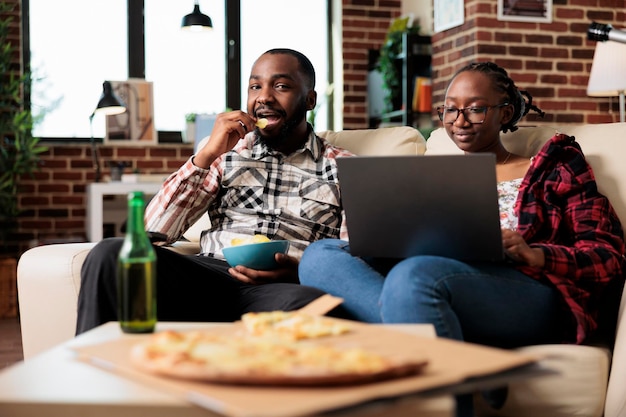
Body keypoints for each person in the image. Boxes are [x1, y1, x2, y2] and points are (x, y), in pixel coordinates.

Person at [299, 61, 626, 349]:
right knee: (320, 257)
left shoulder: (555, 166)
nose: (459, 120)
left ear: (505, 113)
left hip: (527, 288)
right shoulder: (430, 178)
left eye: (475, 108)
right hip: (439, 277)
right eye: (450, 109)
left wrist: (534, 253)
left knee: (415, 275)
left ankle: (445, 355)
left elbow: (608, 256)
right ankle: (459, 349)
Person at [76, 48, 353, 334]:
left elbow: (351, 260)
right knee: (111, 254)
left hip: (282, 288)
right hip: (209, 277)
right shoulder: (225, 152)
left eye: (281, 86)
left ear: (310, 99)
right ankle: (93, 373)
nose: (264, 97)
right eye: (255, 86)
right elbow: (153, 230)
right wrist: (206, 156)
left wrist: (301, 273)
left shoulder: (343, 166)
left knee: (310, 305)